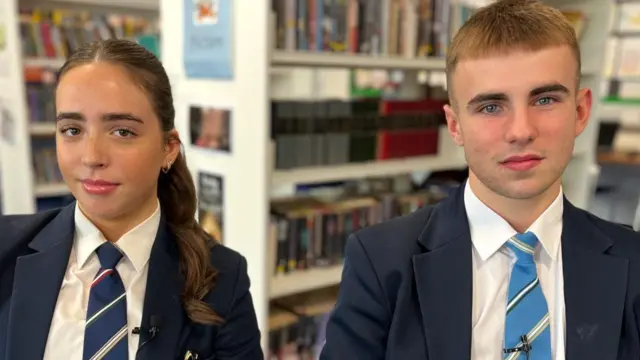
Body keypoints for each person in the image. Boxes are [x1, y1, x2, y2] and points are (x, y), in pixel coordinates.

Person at [320, 1, 640, 359]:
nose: (521, 131)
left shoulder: (634, 264)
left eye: (545, 99)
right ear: (455, 125)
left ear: (580, 112)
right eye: (490, 107)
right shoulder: (380, 261)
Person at [0, 39, 263, 360]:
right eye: (71, 130)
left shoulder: (222, 277)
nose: (92, 156)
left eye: (122, 132)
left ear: (168, 148)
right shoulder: (7, 249)